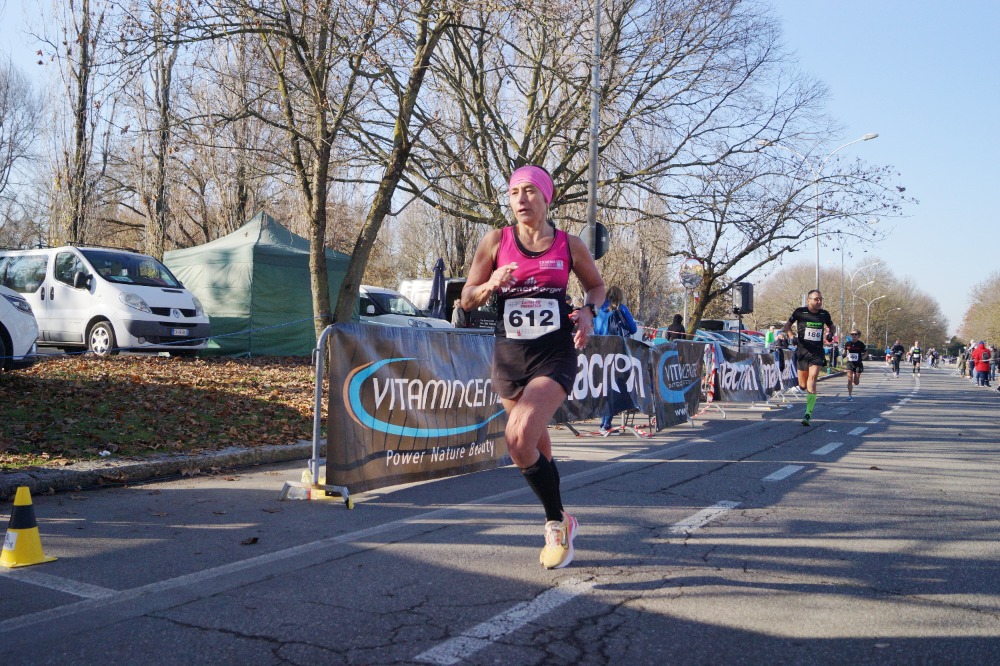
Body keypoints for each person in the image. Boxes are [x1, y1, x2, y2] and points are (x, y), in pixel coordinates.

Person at [461, 164, 605, 570]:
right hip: (510, 358)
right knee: (535, 447)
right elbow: (466, 299)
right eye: (514, 193)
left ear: (546, 197)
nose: (521, 199)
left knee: (518, 438)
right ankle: (561, 519)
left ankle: (555, 525)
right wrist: (490, 285)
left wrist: (589, 312)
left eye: (529, 191)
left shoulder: (568, 244)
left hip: (554, 353)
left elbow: (596, 286)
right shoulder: (496, 241)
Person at [783, 290, 836, 426]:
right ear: (808, 300)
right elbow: (787, 325)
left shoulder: (824, 314)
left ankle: (808, 414)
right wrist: (791, 336)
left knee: (812, 379)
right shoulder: (800, 312)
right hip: (802, 351)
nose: (819, 301)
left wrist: (830, 334)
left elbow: (832, 326)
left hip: (817, 352)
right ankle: (805, 394)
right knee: (803, 385)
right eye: (816, 299)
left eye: (821, 299)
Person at [593, 286, 638, 434]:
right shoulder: (621, 309)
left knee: (605, 387)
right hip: (617, 351)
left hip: (600, 351)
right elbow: (633, 329)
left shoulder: (599, 309)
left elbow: (595, 329)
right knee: (615, 387)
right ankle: (606, 424)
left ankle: (604, 422)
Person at [843, 329, 866, 401]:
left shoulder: (861, 344)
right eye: (852, 334)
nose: (854, 336)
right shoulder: (847, 343)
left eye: (855, 334)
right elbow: (844, 351)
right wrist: (843, 354)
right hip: (850, 363)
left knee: (856, 382)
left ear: (858, 336)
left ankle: (856, 379)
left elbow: (866, 354)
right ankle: (850, 395)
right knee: (849, 379)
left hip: (858, 364)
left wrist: (861, 358)